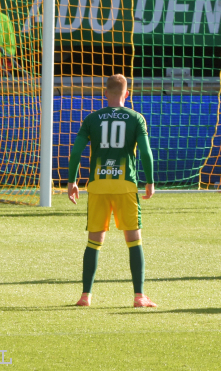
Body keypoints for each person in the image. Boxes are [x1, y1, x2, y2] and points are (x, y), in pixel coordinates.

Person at [67, 74, 157, 309]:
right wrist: (150, 181)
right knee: (134, 240)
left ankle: (85, 296)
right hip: (125, 184)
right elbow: (146, 153)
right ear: (127, 94)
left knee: (94, 241)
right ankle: (139, 297)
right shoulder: (136, 118)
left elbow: (75, 153)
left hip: (98, 184)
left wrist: (71, 181)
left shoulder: (92, 119)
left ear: (105, 93)